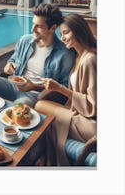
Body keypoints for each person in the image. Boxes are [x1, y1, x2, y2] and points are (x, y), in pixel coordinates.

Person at [0, 3, 75, 107]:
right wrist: (9, 65)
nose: (32, 29)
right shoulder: (25, 40)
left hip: (33, 95)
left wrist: (34, 86)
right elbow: (13, 59)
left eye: (38, 26)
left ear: (53, 27)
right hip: (12, 86)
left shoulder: (65, 54)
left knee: (19, 107)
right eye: (33, 24)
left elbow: (63, 88)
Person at [35, 13, 97, 166]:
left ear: (79, 31)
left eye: (66, 33)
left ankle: (49, 162)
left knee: (40, 108)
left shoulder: (90, 60)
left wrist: (60, 88)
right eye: (61, 33)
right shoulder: (77, 56)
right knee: (40, 107)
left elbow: (93, 106)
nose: (62, 38)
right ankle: (48, 161)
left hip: (92, 123)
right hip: (79, 112)